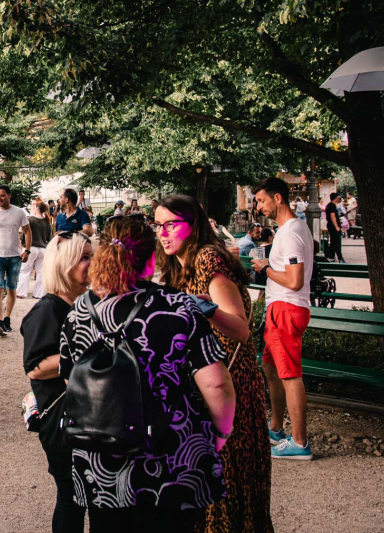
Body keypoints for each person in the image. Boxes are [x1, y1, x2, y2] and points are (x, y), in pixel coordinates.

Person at [61, 216, 236, 531]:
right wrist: (221, 433)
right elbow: (217, 383)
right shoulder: (178, 308)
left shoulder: (78, 313)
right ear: (152, 258)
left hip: (102, 465)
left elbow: (71, 382)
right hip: (172, 461)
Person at [154, 195, 273, 533]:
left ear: (192, 226)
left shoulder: (208, 259)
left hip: (230, 387)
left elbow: (240, 328)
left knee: (227, 483)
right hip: (207, 387)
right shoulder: (181, 261)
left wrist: (205, 309)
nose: (163, 233)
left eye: (170, 225)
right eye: (158, 225)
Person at [20, 232, 92, 533]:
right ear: (64, 263)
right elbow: (36, 368)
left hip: (87, 415)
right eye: (85, 257)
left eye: (93, 255)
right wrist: (91, 356)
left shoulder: (85, 303)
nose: (93, 262)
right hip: (63, 420)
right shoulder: (47, 310)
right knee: (72, 496)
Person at [251, 177, 314, 461]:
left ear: (278, 198)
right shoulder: (292, 229)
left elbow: (295, 280)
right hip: (280, 309)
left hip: (286, 308)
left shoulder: (289, 232)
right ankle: (276, 427)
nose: (259, 207)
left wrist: (265, 269)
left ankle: (299, 442)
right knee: (270, 366)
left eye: (262, 201)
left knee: (289, 375)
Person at [0, 185, 32, 335]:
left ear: (9, 196)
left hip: (14, 256)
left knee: (11, 289)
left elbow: (27, 231)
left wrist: (27, 251)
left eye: (2, 195)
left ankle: (8, 318)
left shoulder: (19, 212)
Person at [19, 200, 51, 298]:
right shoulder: (47, 223)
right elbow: (49, 239)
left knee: (25, 271)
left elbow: (24, 235)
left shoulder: (30, 220)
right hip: (43, 249)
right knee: (41, 272)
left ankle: (21, 293)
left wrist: (23, 243)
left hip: (30, 248)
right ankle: (38, 294)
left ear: (37, 208)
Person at [323, 192, 344, 263]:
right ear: (335, 198)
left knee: (332, 241)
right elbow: (332, 216)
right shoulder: (332, 206)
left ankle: (331, 256)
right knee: (337, 241)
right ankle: (340, 258)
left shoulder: (329, 205)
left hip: (330, 225)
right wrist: (336, 226)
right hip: (334, 226)